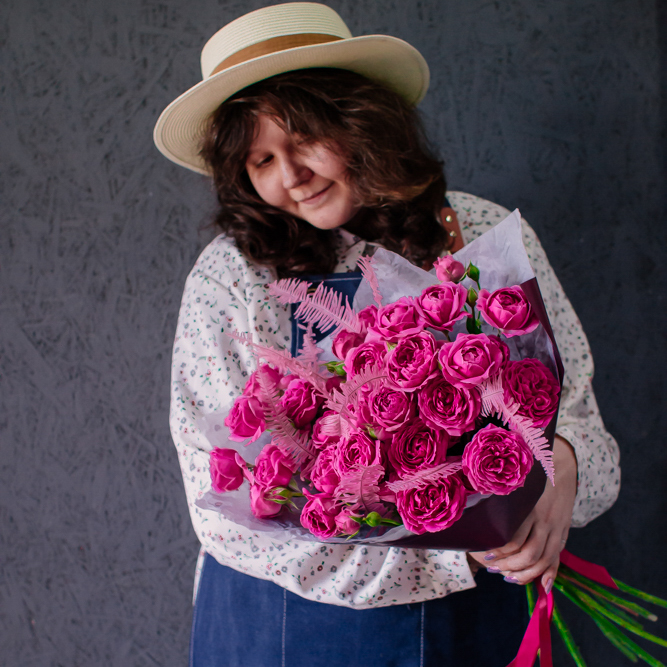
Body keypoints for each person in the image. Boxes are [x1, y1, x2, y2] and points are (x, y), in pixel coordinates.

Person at [154, 4, 620, 666]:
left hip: (480, 621)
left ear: (361, 120)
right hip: (291, 628)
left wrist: (563, 464)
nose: (290, 175)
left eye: (305, 138)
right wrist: (448, 555)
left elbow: (586, 434)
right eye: (261, 160)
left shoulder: (479, 232)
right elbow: (222, 511)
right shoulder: (232, 275)